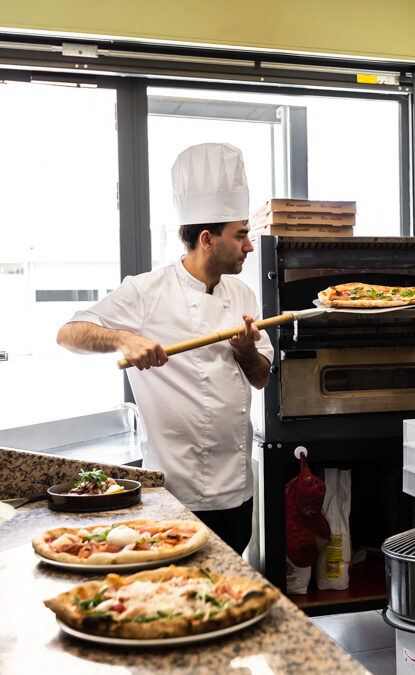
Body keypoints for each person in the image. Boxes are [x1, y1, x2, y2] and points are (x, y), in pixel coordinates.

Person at [56, 142, 273, 555]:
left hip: (237, 489)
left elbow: (261, 379)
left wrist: (246, 352)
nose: (249, 245)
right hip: (174, 492)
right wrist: (123, 338)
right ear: (207, 239)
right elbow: (68, 333)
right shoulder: (145, 292)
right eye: (241, 234)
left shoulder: (243, 293)